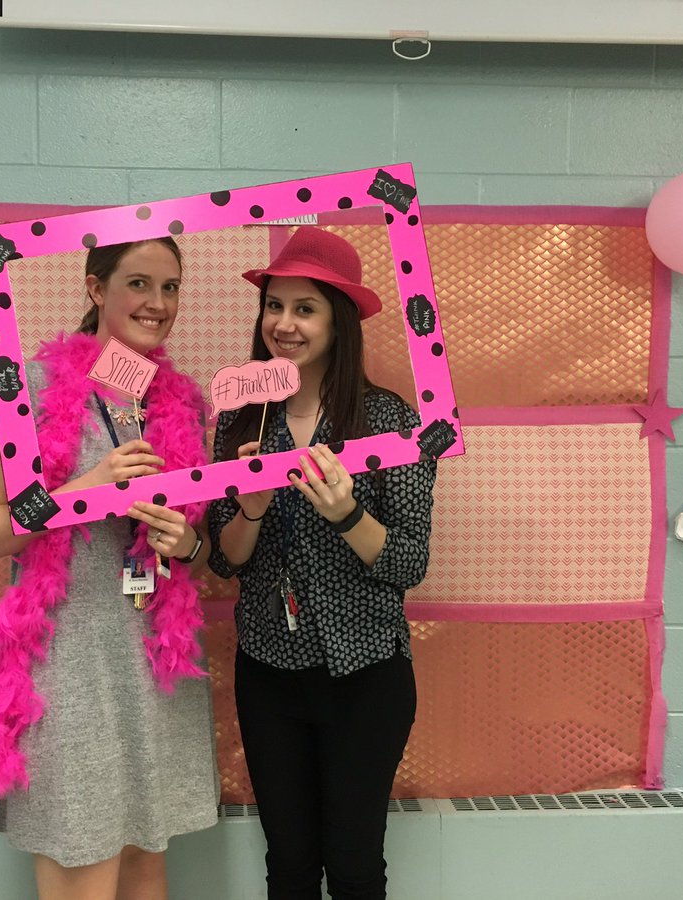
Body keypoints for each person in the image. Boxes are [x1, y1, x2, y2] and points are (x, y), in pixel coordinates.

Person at [0, 237, 218, 900]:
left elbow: (199, 549)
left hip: (152, 664)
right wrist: (85, 489)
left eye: (170, 287)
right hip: (69, 668)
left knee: (145, 870)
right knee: (84, 871)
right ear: (96, 289)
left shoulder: (181, 404)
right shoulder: (33, 387)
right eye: (138, 284)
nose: (157, 304)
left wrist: (182, 541)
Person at [207, 226, 437, 900]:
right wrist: (248, 509)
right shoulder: (240, 425)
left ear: (338, 321)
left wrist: (346, 516)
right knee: (291, 863)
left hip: (366, 673)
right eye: (274, 305)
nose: (284, 323)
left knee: (357, 864)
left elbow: (408, 562)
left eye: (304, 308)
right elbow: (227, 561)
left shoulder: (388, 422)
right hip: (269, 673)